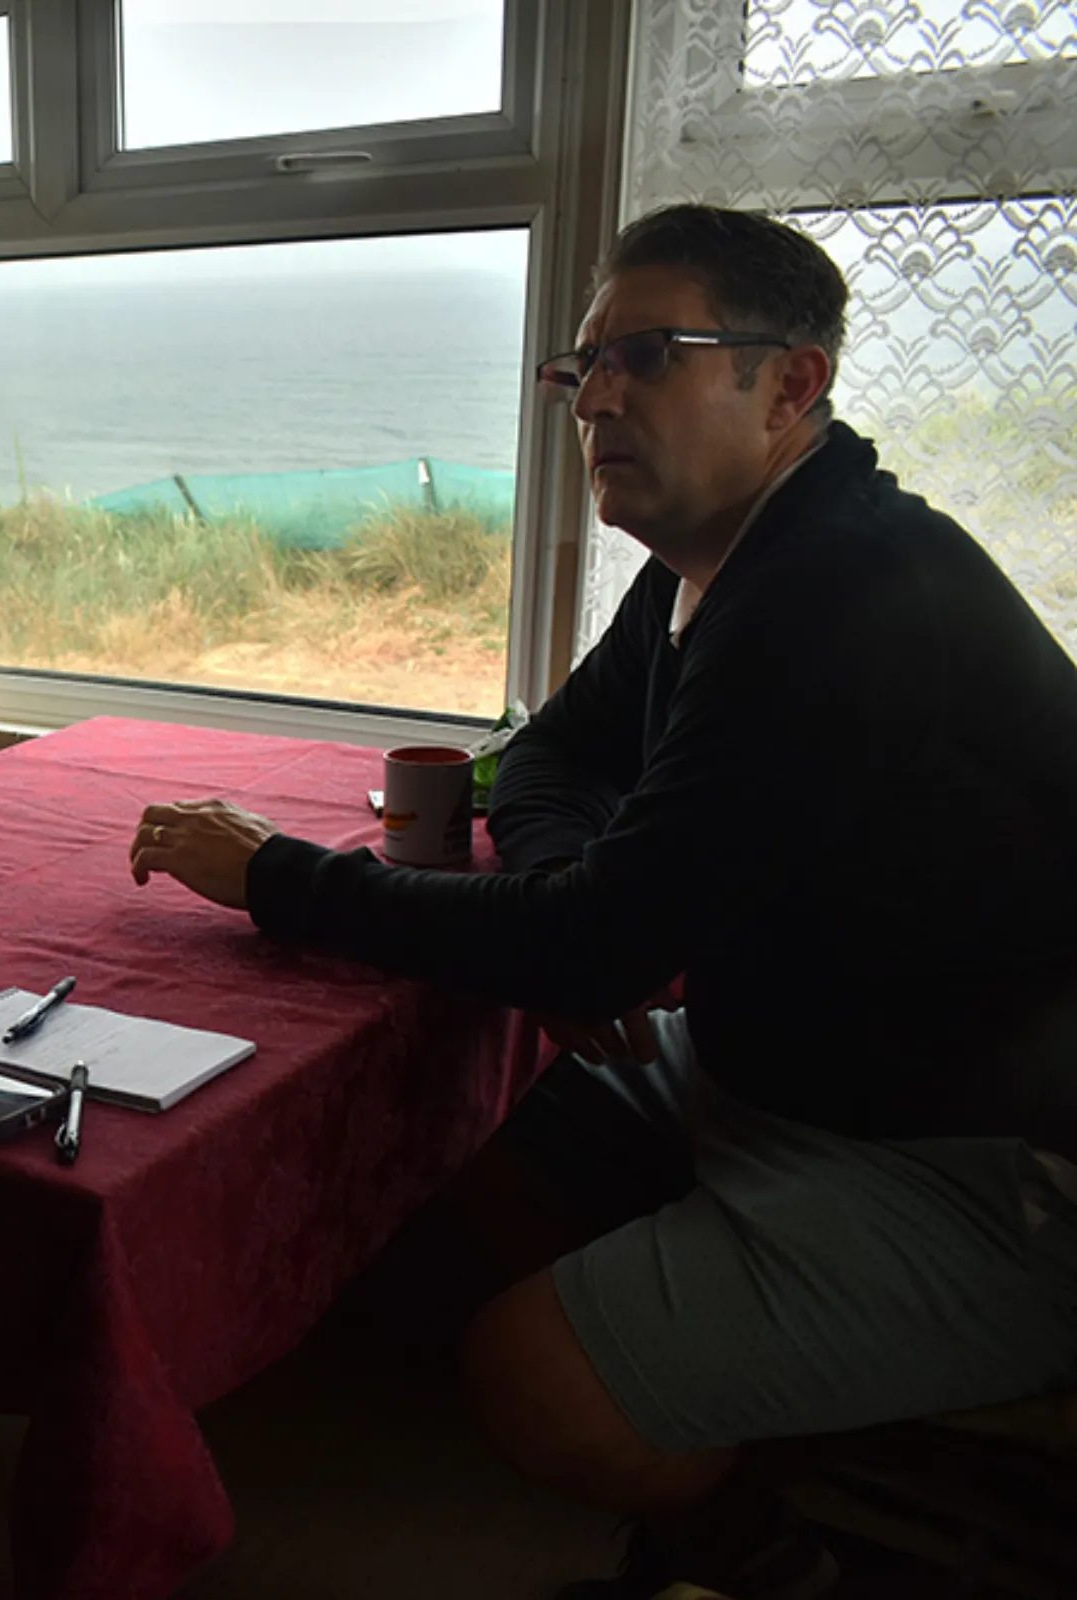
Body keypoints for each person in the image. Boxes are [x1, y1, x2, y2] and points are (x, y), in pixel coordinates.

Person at [128, 204, 1077, 1597]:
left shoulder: (847, 595)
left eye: (651, 355)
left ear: (791, 382)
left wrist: (278, 874)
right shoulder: (714, 565)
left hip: (981, 1165)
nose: (600, 397)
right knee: (459, 1104)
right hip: (796, 1069)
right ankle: (736, 1395)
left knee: (524, 1380)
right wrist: (593, 893)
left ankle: (752, 1538)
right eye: (583, 370)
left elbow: (590, 942)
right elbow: (551, 756)